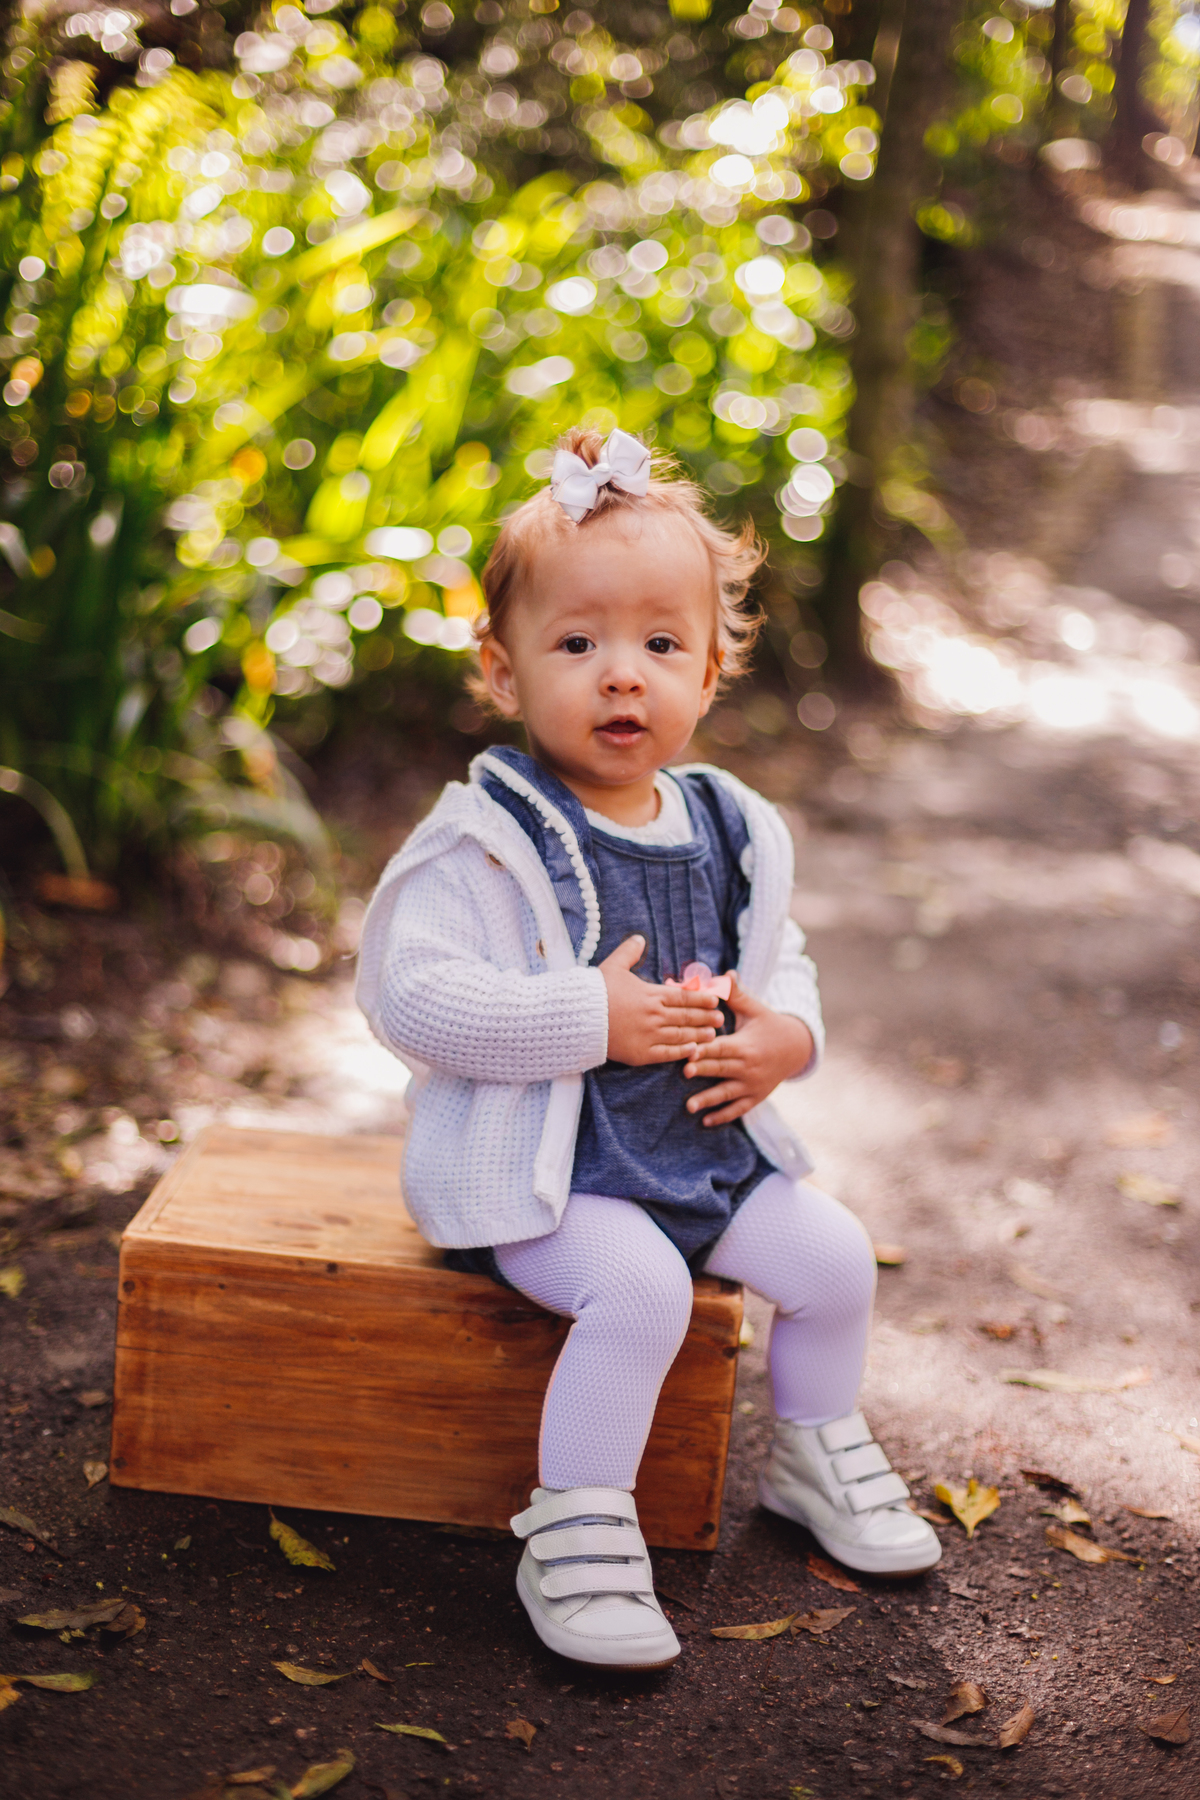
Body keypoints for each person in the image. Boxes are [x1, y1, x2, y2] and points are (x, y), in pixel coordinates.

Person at [357, 426, 940, 1672]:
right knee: (642, 1293)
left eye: (661, 645)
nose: (623, 677)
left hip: (698, 1154)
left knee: (834, 1260)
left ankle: (813, 1451)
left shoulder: (732, 823)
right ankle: (576, 1527)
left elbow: (778, 959)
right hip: (549, 1179)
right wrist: (588, 1018)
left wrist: (786, 1037)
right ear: (503, 670)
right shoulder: (484, 837)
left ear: (713, 669)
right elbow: (409, 996)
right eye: (577, 645)